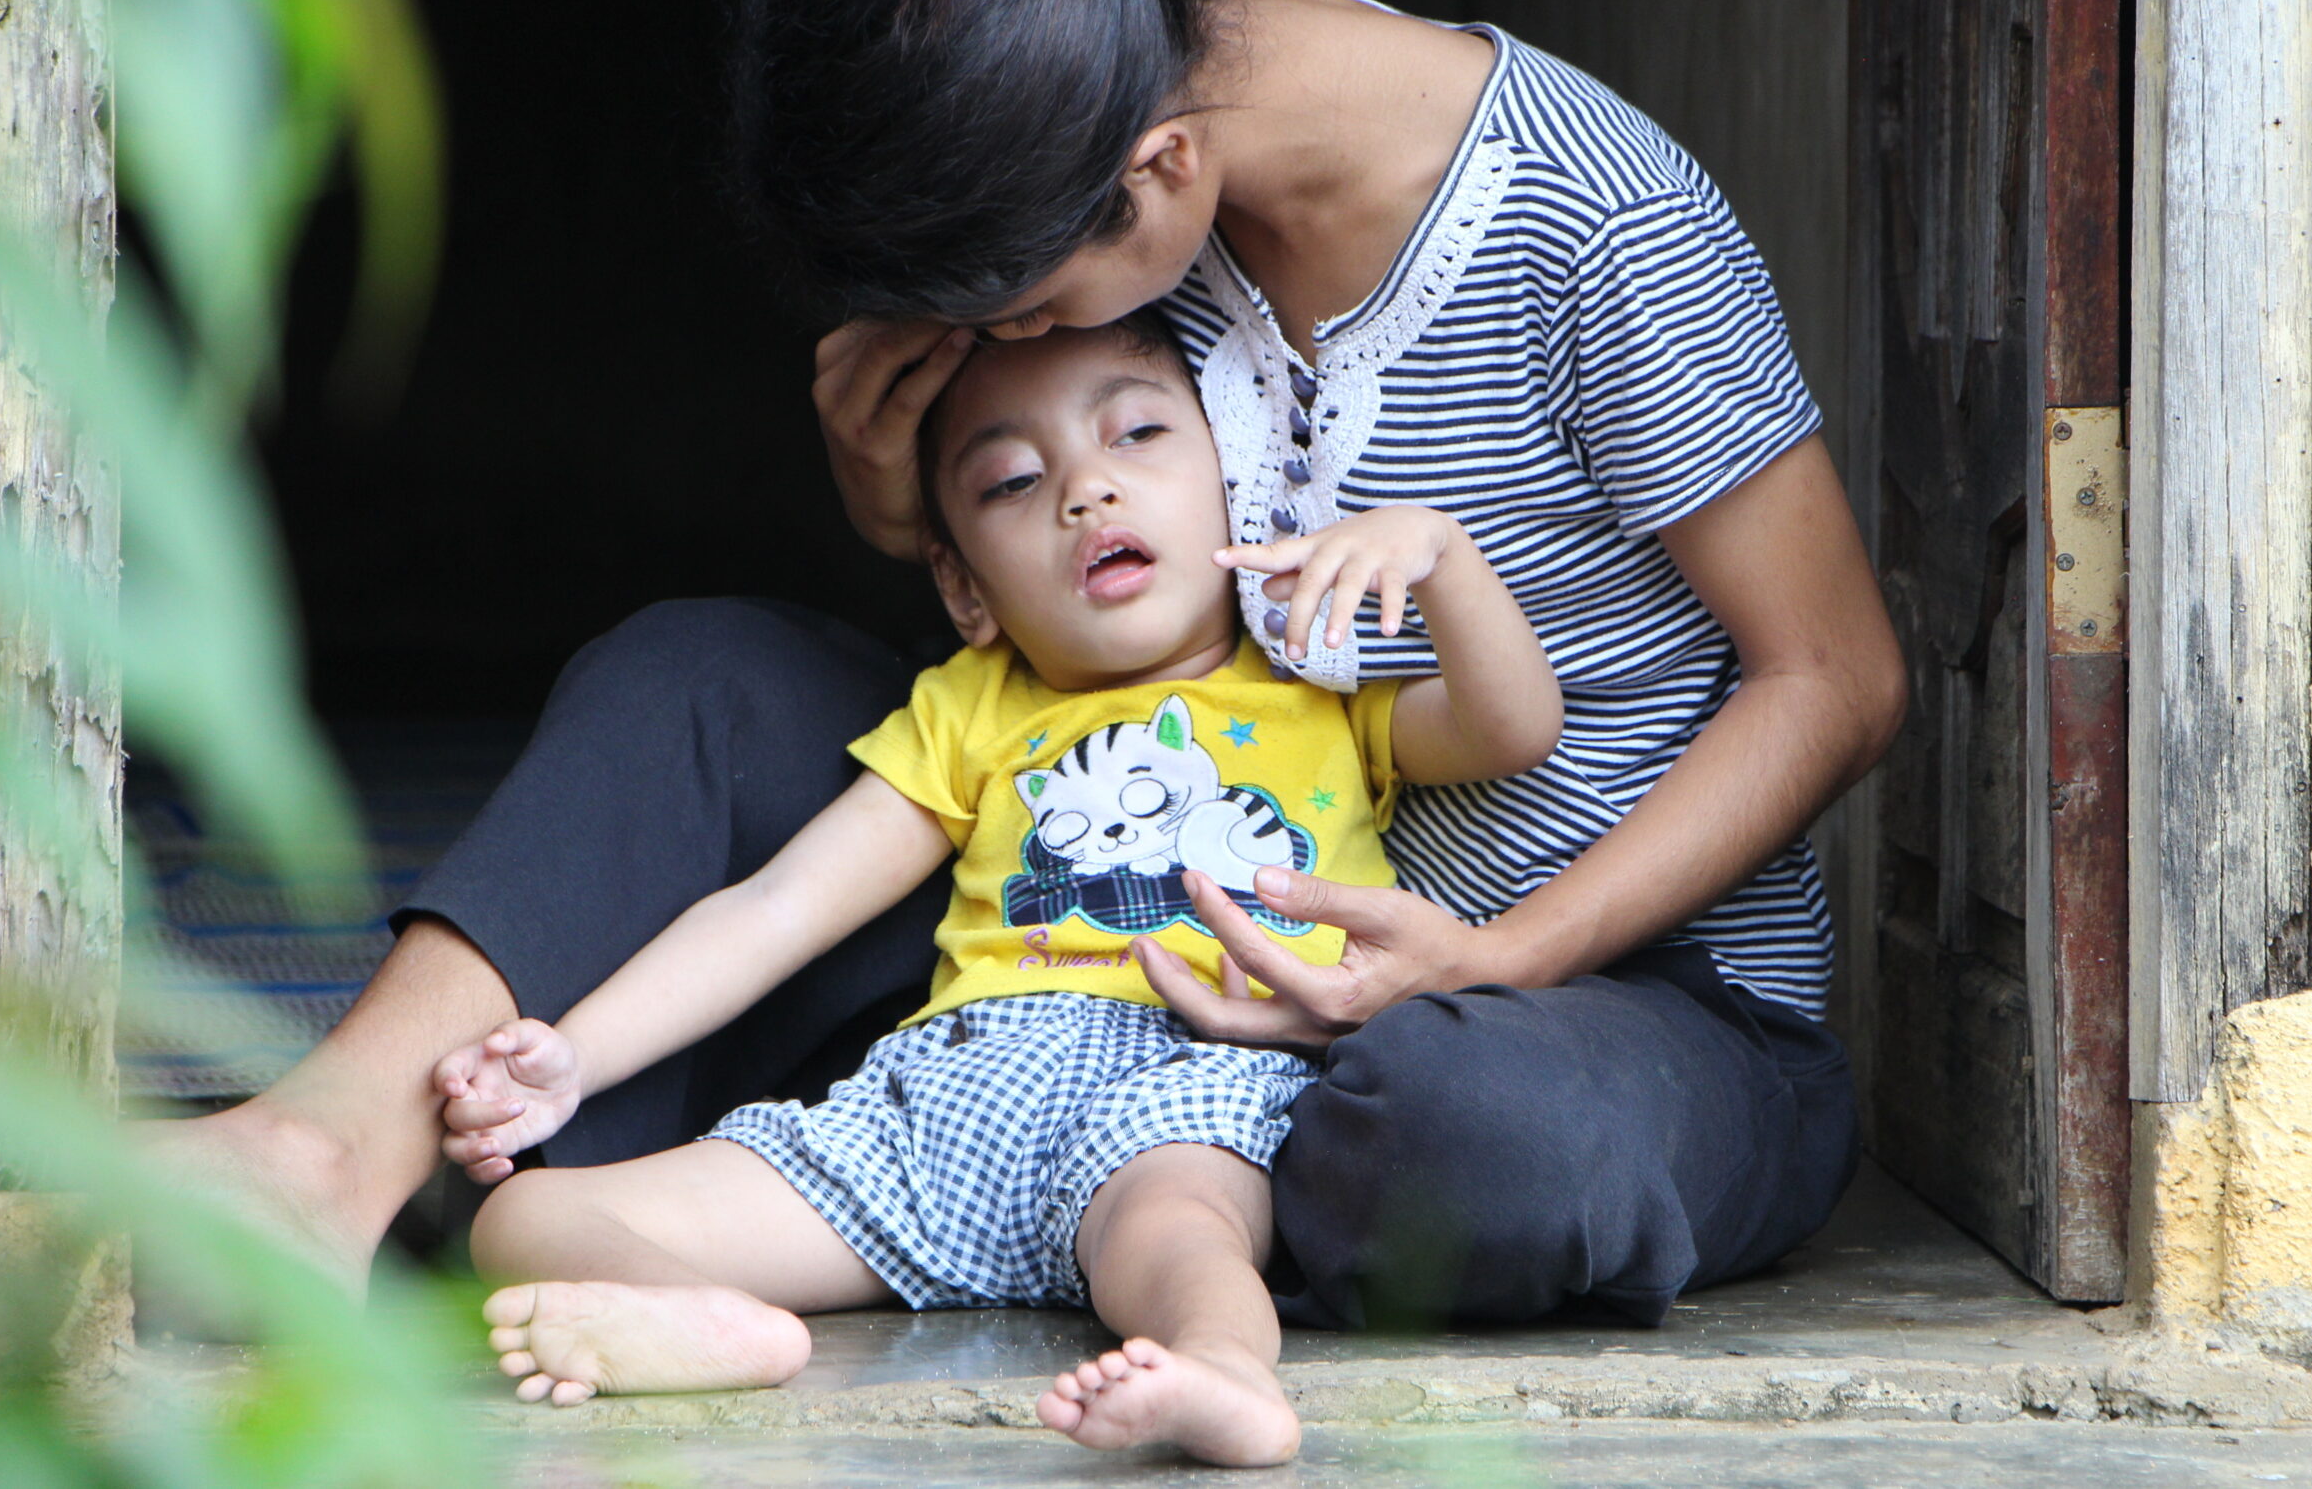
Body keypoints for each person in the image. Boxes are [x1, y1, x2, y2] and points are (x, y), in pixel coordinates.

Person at [151, 0, 1904, 1328]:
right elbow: (1021, 677)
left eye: (1014, 310)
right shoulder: (1071, 107)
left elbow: (1835, 678)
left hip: (1574, 997)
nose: (991, 336)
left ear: (1157, 177)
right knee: (698, 680)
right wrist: (889, 495)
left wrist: (1491, 960)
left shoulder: (1592, 221)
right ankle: (329, 1150)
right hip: (1091, 972)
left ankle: (994, 1210)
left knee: (1493, 1141)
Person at [429, 320, 1563, 1466]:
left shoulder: (1314, 695)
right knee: (528, 1214)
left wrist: (1444, 560)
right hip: (938, 1106)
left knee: (1188, 1239)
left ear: (1240, 488)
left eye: (1138, 433)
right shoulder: (968, 708)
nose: (1086, 487)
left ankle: (1220, 1373)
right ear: (963, 587)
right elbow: (775, 909)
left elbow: (1514, 728)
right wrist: (574, 1058)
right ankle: (722, 1326)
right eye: (1014, 479)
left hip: (1183, 1087)